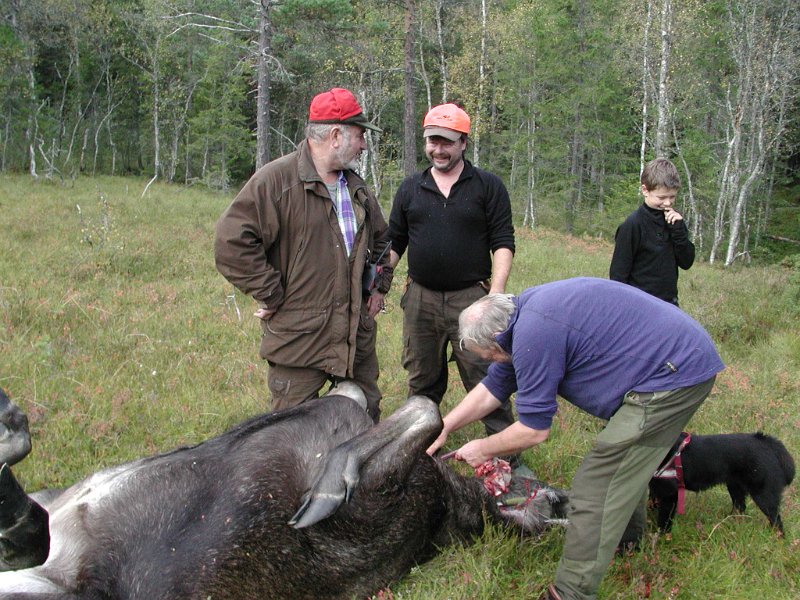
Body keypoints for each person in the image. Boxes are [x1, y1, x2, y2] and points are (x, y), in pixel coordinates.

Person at [426, 277, 725, 600]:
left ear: (498, 339)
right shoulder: (522, 317)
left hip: (673, 374)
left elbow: (534, 429)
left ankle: (571, 592)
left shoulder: (534, 333)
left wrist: (482, 448)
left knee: (597, 484)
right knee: (625, 464)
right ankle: (627, 541)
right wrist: (444, 426)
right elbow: (495, 386)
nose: (492, 362)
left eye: (489, 356)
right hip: (674, 358)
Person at [214, 87, 393, 422]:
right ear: (336, 135)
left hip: (356, 339)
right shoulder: (276, 181)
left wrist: (379, 285)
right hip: (300, 342)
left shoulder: (355, 185)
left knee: (364, 421)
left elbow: (384, 241)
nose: (364, 144)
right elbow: (230, 242)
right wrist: (272, 293)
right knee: (291, 437)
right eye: (360, 135)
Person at [387, 103, 520, 466]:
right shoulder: (411, 188)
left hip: (472, 298)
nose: (438, 149)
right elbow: (394, 243)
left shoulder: (487, 186)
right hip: (420, 298)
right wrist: (378, 283)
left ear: (463, 142)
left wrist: (494, 295)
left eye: (447, 142)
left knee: (486, 377)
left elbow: (503, 241)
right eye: (432, 141)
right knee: (422, 380)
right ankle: (422, 452)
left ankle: (509, 455)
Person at [609, 157, 695, 306]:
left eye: (672, 197)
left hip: (669, 304)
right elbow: (618, 275)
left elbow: (686, 262)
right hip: (638, 304)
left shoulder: (674, 221)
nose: (667, 203)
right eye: (661, 197)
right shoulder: (632, 225)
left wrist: (679, 231)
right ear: (645, 190)